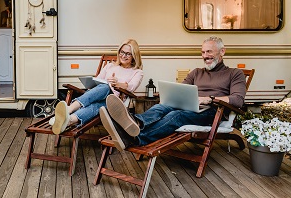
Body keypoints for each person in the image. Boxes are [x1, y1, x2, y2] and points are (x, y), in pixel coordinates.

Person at [100, 36, 247, 151]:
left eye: (209, 51)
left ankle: (136, 138)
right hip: (190, 106)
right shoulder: (196, 72)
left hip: (211, 112)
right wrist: (168, 93)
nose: (205, 56)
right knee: (162, 107)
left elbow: (237, 100)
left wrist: (209, 99)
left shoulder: (234, 74)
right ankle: (135, 122)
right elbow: (181, 89)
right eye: (203, 52)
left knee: (175, 116)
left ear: (222, 51)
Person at [51, 39, 144, 135]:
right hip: (99, 97)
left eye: (128, 54)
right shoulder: (110, 66)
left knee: (106, 88)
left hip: (115, 102)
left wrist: (117, 84)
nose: (124, 56)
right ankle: (68, 120)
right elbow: (98, 80)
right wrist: (92, 84)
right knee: (97, 105)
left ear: (134, 56)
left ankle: (68, 110)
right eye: (122, 52)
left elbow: (132, 87)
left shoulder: (137, 72)